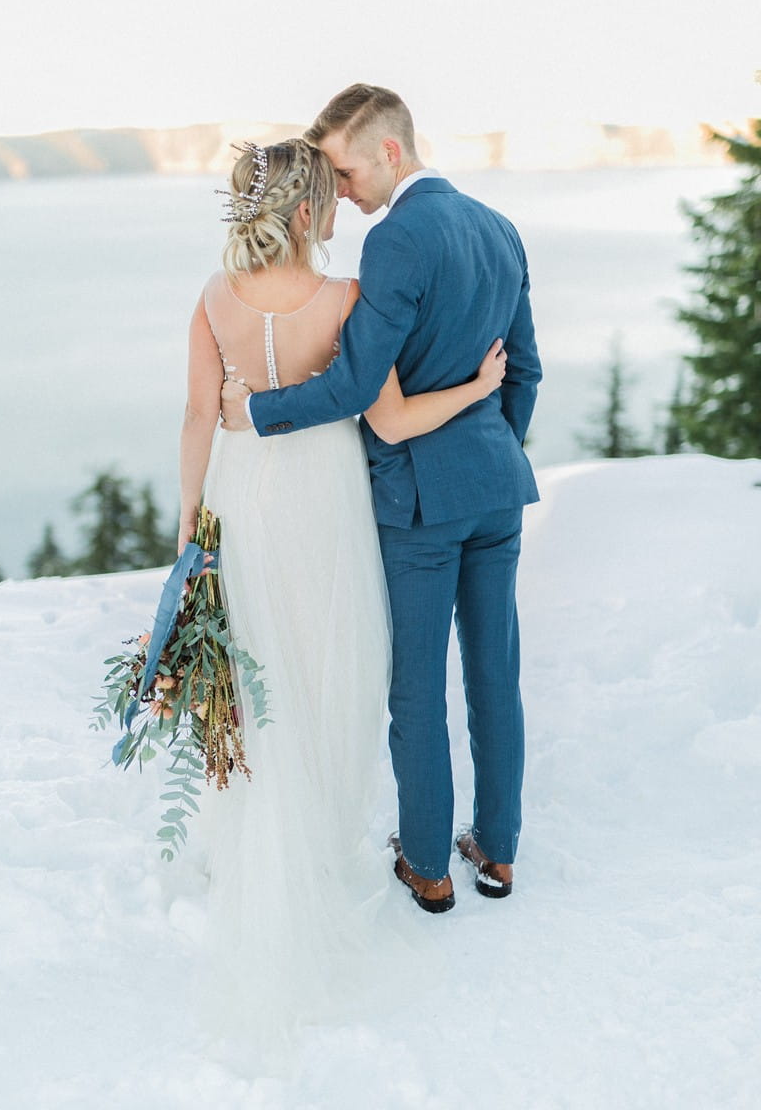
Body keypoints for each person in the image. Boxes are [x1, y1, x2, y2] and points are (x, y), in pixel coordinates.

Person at [179, 137, 506, 1051]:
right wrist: (479, 386)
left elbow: (199, 414)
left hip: (244, 503)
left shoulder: (213, 296)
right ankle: (315, 849)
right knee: (328, 671)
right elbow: (393, 417)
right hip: (324, 505)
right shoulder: (345, 301)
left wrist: (188, 528)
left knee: (253, 675)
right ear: (308, 210)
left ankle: (254, 842)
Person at [220, 86, 542, 914]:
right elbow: (527, 373)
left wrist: (256, 412)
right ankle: (498, 854)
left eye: (347, 168)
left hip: (419, 502)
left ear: (390, 153)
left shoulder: (398, 239)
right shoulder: (500, 229)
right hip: (496, 488)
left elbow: (359, 385)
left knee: (416, 687)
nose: (343, 190)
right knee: (495, 673)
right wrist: (492, 448)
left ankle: (430, 864)